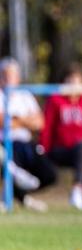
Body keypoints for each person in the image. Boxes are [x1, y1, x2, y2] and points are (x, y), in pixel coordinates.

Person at [40, 63, 82, 214]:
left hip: (78, 151)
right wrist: (43, 149)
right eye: (70, 80)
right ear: (64, 82)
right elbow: (47, 127)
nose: (74, 85)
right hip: (58, 150)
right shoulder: (55, 100)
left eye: (78, 81)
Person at [0, 57, 56, 212]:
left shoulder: (25, 95)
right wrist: (25, 120)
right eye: (5, 75)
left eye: (11, 76)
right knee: (6, 163)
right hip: (6, 143)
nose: (8, 79)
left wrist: (14, 119)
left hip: (26, 144)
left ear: (18, 78)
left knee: (50, 174)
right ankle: (20, 195)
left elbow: (39, 123)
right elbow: (2, 122)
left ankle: (17, 195)